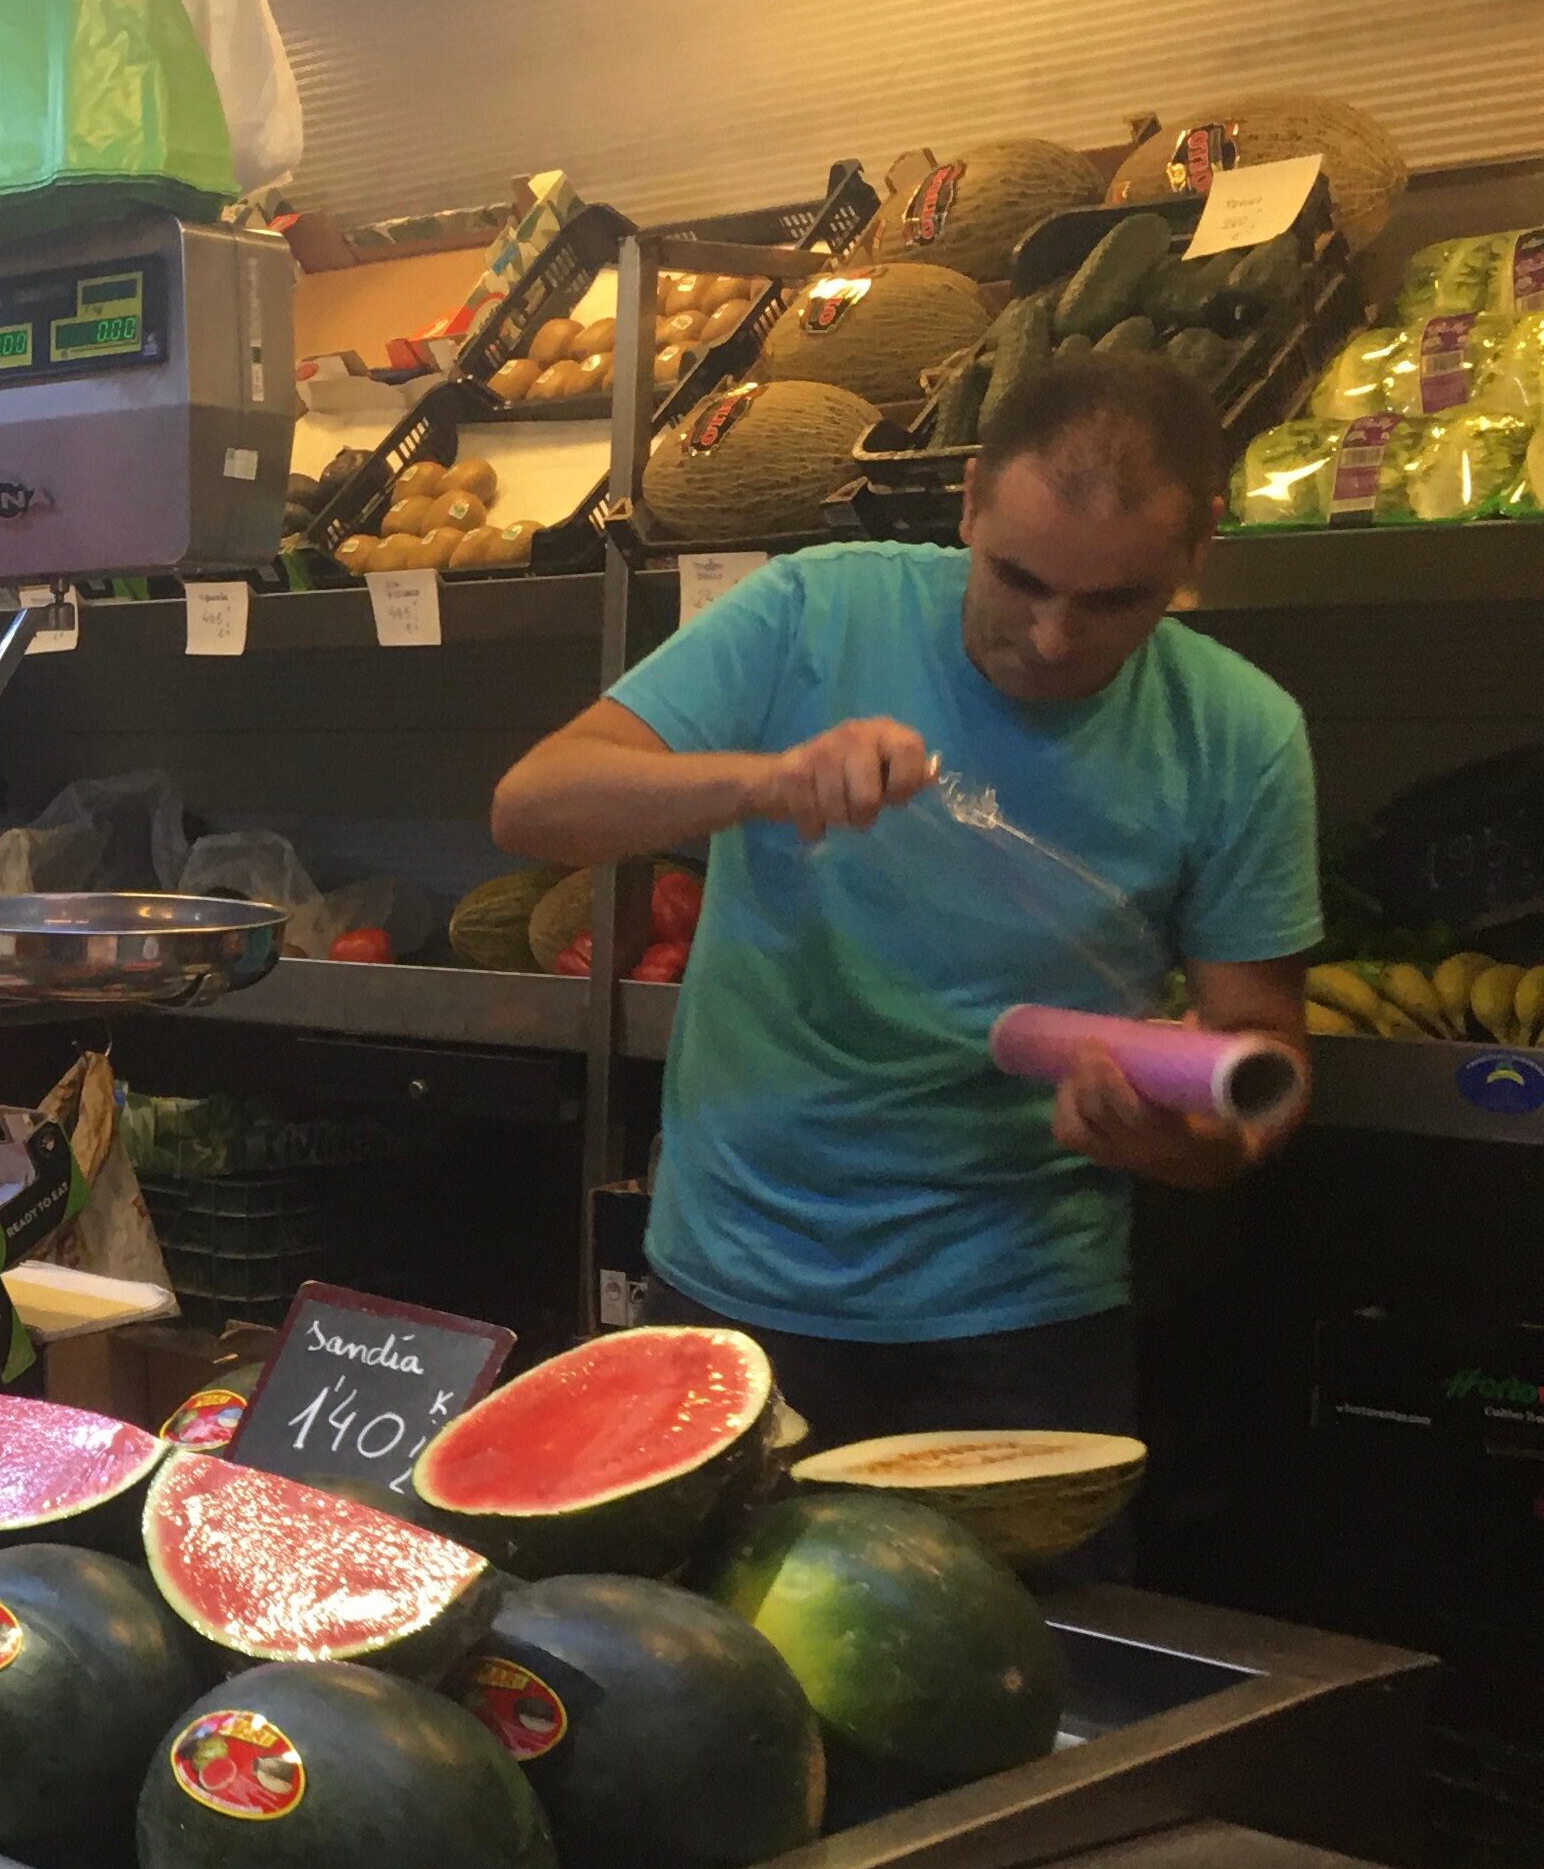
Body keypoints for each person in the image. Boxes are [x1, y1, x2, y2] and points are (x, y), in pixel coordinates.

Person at [492, 354, 1318, 1538]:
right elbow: (534, 802)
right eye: (1019, 577)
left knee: (1002, 1685)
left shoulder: (1242, 734)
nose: (1049, 635)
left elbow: (1266, 1061)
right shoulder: (815, 611)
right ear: (970, 500)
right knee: (705, 1690)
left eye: (1113, 602)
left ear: (1197, 553)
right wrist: (766, 779)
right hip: (738, 1280)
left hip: (1022, 1319)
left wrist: (1182, 1144)